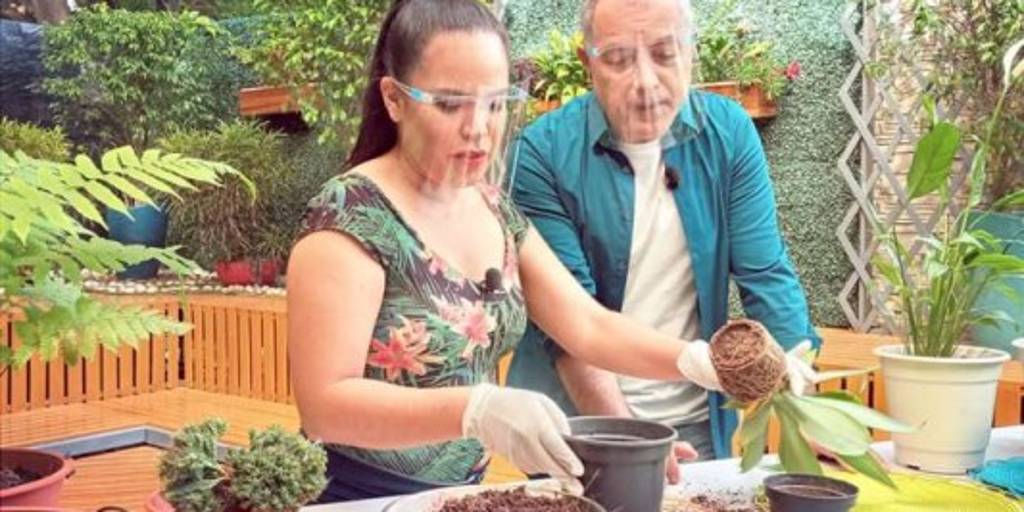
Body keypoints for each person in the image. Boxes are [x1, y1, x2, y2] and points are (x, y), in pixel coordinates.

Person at [287, 0, 814, 503]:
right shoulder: (351, 217)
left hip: (459, 495)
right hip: (356, 496)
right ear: (394, 99)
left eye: (496, 104)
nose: (479, 128)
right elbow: (324, 406)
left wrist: (696, 361)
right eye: (449, 104)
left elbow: (587, 326)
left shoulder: (491, 207)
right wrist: (476, 408)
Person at [505, 0, 822, 482]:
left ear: (691, 52)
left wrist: (806, 408)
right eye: (618, 59)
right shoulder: (540, 153)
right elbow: (570, 326)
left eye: (664, 53)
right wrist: (630, 439)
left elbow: (766, 275)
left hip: (696, 426)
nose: (645, 82)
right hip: (575, 430)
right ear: (587, 62)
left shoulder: (729, 133)